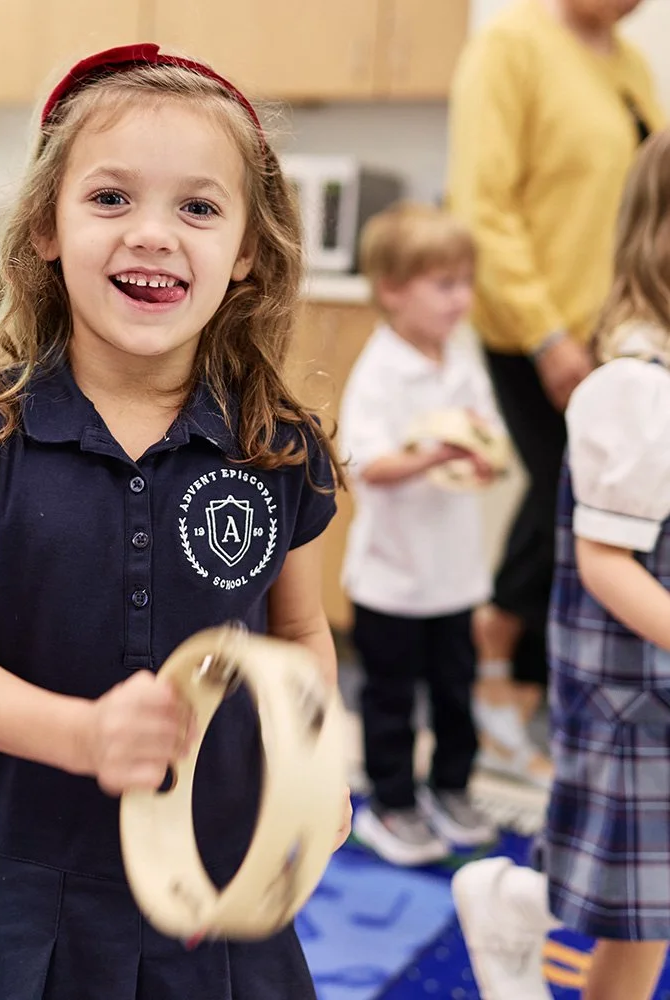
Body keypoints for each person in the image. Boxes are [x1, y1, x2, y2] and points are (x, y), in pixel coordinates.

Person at [0, 43, 352, 1000]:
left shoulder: (276, 445)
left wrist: (314, 762)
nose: (153, 233)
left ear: (245, 254)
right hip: (37, 882)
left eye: (197, 206)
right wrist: (82, 736)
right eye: (110, 198)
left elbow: (300, 631)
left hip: (220, 875)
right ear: (45, 230)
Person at [452, 126, 670, 1000]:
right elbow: (608, 563)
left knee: (643, 888)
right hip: (631, 693)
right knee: (636, 899)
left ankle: (515, 898)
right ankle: (513, 897)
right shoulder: (633, 390)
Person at [447, 0, 664, 787]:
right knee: (559, 504)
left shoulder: (631, 65)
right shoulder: (512, 48)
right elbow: (483, 205)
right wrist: (546, 335)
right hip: (537, 331)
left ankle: (537, 696)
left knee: (595, 510)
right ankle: (496, 669)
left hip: (615, 336)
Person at [340, 203, 498, 867]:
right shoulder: (380, 371)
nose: (461, 299)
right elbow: (365, 464)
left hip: (454, 576)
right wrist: (434, 455)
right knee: (391, 698)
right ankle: (392, 803)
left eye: (465, 282)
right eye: (444, 285)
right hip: (392, 580)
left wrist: (481, 456)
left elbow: (485, 435)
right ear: (393, 290)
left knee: (457, 690)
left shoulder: (457, 358)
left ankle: (452, 788)